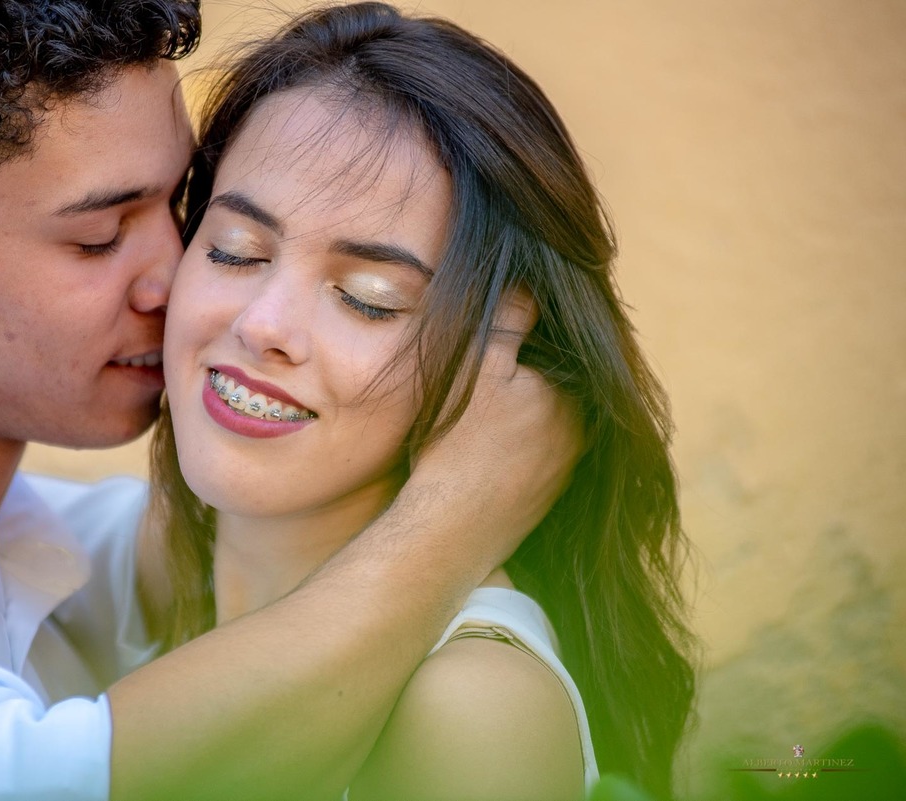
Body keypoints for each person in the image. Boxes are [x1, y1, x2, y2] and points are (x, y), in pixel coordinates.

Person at [0, 1, 579, 799]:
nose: (178, 280)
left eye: (185, 213)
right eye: (99, 236)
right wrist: (461, 508)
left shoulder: (20, 535)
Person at [78, 3, 693, 799]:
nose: (263, 325)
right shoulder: (106, 575)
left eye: (369, 298)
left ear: (498, 355)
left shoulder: (471, 709)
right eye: (235, 250)